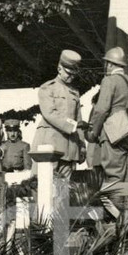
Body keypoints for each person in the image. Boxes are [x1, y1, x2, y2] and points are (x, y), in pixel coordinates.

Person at [86, 47, 128, 189]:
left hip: (116, 133)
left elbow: (101, 110)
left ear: (110, 64)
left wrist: (94, 132)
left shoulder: (109, 81)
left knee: (113, 178)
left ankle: (115, 212)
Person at [36, 50, 86, 180]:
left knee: (64, 192)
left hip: (70, 149)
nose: (72, 77)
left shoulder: (75, 92)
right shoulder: (47, 88)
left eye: (74, 74)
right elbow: (49, 113)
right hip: (52, 145)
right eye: (69, 73)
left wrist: (82, 146)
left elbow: (78, 120)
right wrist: (72, 126)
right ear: (59, 68)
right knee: (46, 186)